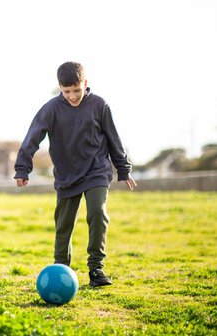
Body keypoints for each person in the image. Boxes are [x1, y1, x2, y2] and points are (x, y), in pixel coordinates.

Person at [14, 61, 136, 287]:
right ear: (60, 87)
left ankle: (96, 268)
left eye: (77, 90)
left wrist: (123, 168)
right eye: (67, 91)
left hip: (96, 170)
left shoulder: (99, 105)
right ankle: (61, 270)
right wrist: (22, 168)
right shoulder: (51, 109)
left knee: (98, 213)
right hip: (66, 174)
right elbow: (33, 138)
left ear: (85, 84)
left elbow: (113, 138)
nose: (72, 96)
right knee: (64, 224)